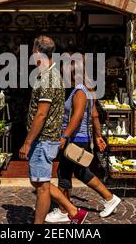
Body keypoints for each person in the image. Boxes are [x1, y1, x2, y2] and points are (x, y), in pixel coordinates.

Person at [19, 36, 88, 224]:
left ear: (36, 52)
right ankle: (73, 210)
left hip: (43, 139)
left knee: (41, 187)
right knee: (39, 182)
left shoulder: (49, 77)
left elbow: (41, 114)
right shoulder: (47, 75)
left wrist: (27, 142)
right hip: (44, 139)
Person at [45, 53, 121, 223]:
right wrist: (98, 136)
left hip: (75, 139)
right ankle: (110, 198)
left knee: (63, 172)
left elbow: (77, 117)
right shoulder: (87, 88)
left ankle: (64, 210)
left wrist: (64, 136)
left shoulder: (79, 91)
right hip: (82, 138)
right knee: (80, 172)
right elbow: (94, 115)